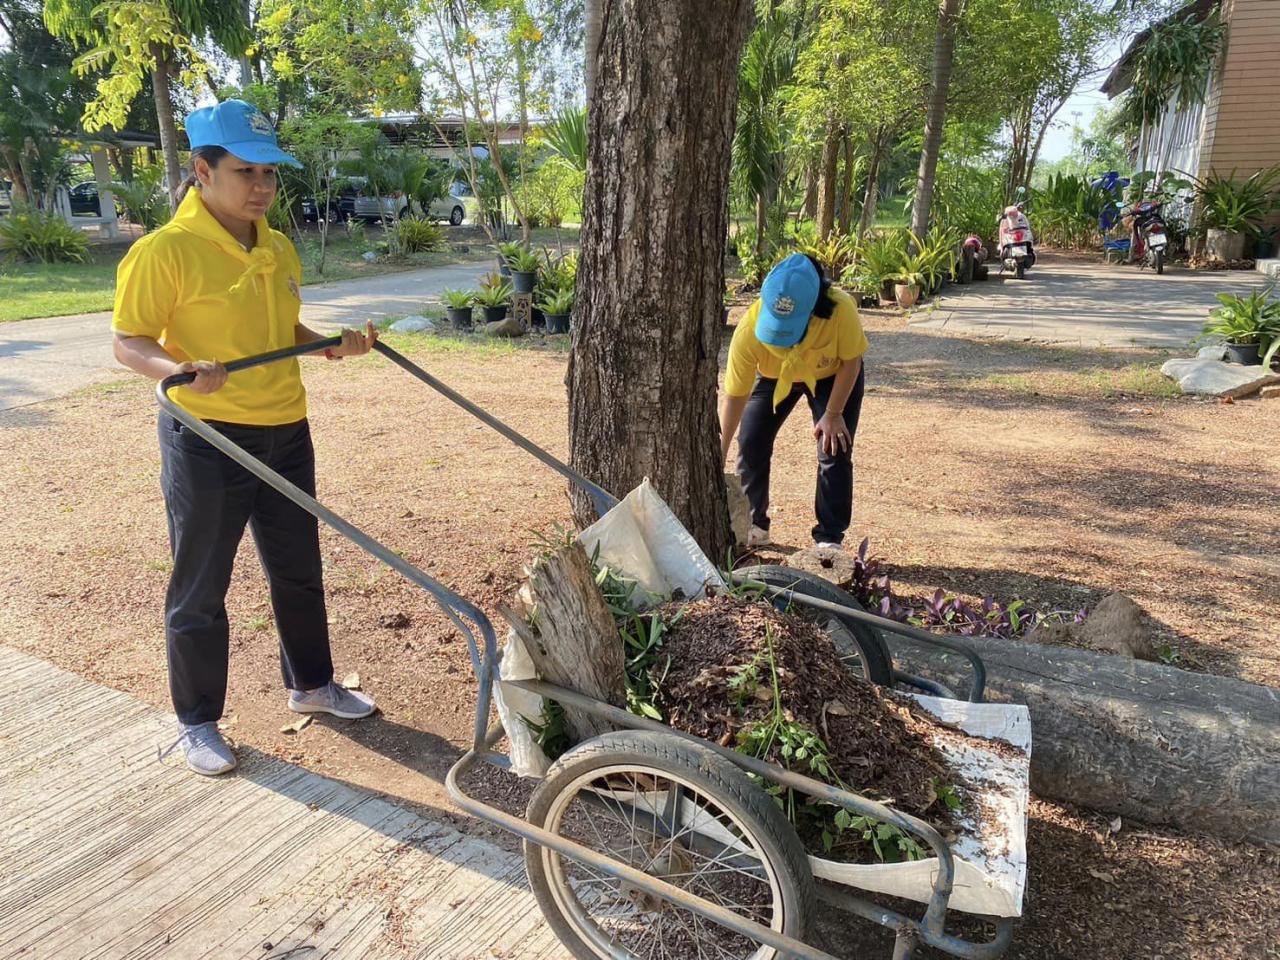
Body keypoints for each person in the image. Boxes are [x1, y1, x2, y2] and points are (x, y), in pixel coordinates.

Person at [111, 100, 379, 776]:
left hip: (285, 427)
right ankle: (198, 721)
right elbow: (127, 340)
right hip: (209, 438)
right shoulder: (165, 251)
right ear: (202, 171)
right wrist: (177, 370)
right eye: (244, 172)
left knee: (298, 567)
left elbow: (281, 333)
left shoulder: (278, 244)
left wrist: (329, 347)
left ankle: (312, 686)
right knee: (201, 584)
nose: (261, 186)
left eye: (270, 173)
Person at [719, 253, 868, 550]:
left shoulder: (841, 310)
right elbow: (735, 396)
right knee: (751, 442)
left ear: (815, 307)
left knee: (833, 447)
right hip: (776, 377)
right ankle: (755, 524)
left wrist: (834, 412)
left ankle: (829, 537)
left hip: (832, 375)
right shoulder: (748, 330)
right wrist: (717, 452)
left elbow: (851, 362)